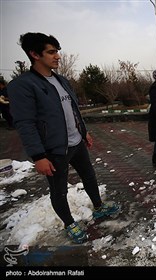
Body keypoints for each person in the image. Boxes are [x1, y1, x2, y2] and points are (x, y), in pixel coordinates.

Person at [8, 32, 119, 244]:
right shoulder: (22, 85)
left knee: (89, 176)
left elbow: (73, 109)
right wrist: (38, 156)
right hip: (54, 150)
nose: (58, 56)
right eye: (51, 52)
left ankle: (98, 207)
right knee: (58, 190)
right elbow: (25, 123)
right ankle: (69, 223)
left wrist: (83, 131)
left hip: (76, 142)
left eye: (57, 51)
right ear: (34, 54)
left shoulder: (61, 80)